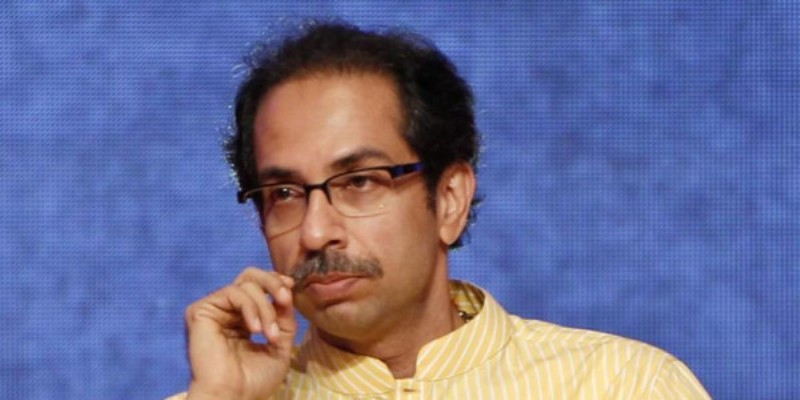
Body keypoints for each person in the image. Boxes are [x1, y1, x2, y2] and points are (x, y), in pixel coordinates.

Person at [169, 20, 710, 399]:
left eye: (359, 182)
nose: (314, 232)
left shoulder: (623, 385)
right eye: (284, 193)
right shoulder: (221, 395)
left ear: (450, 199)